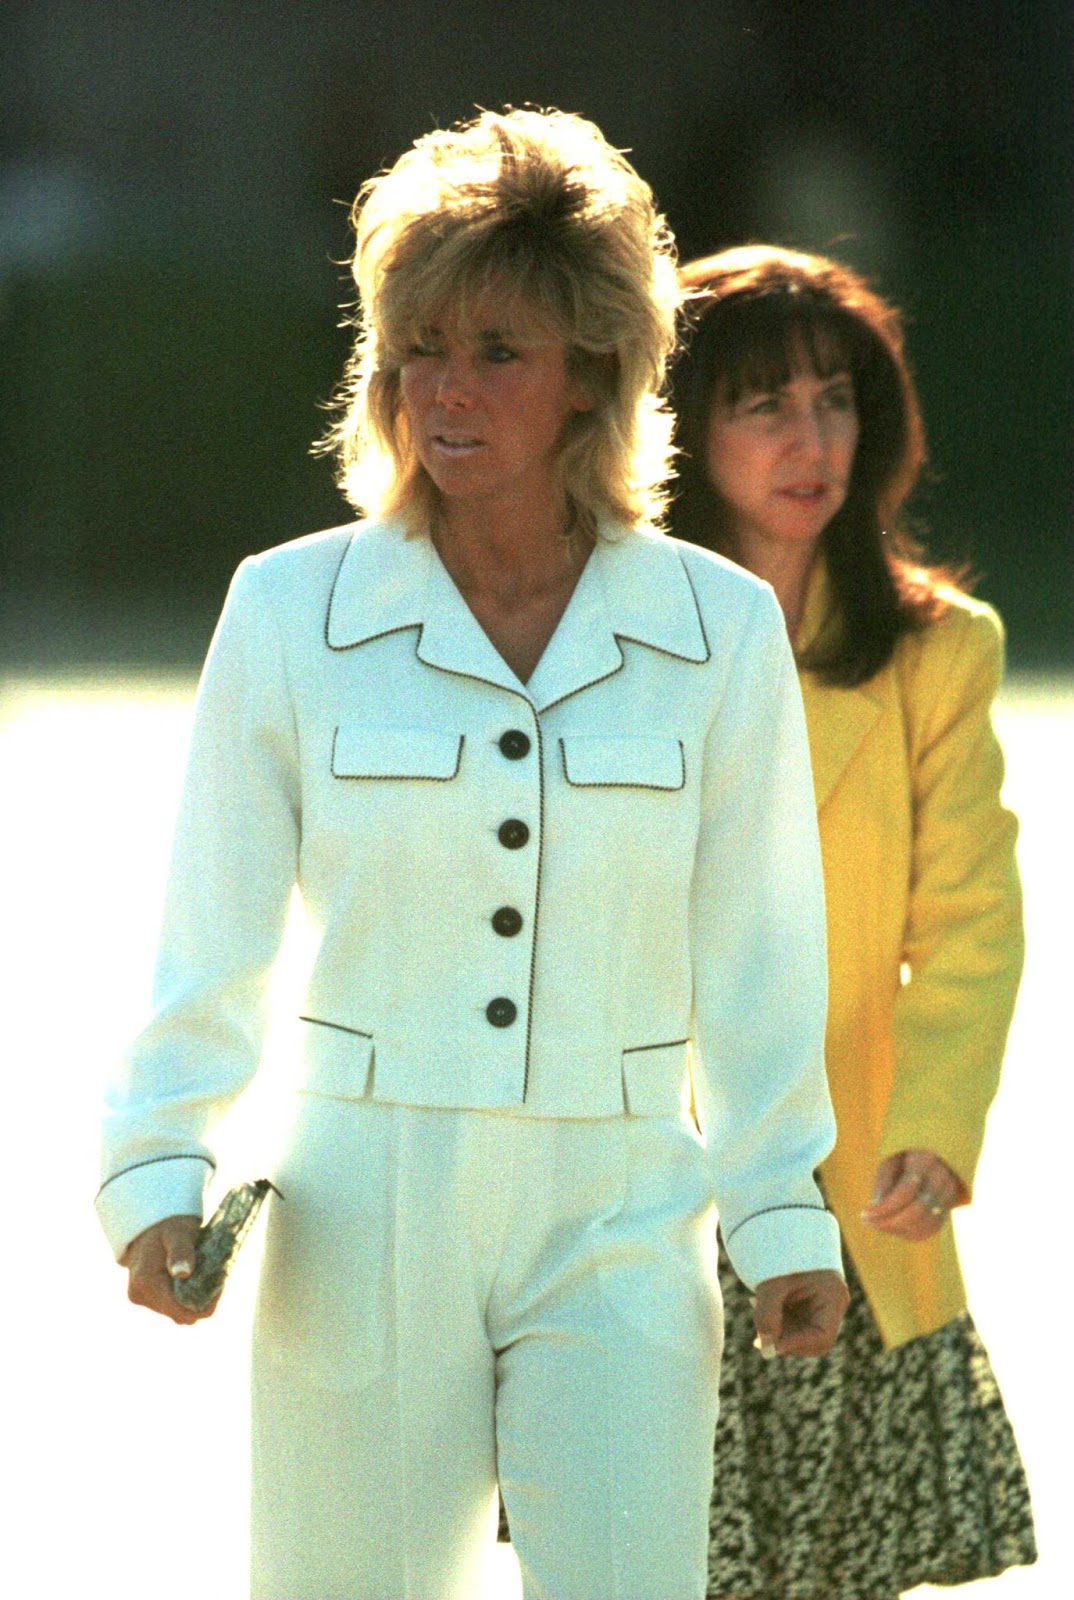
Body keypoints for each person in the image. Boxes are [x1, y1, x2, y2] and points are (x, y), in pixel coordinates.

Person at [97, 116, 848, 1600]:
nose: (442, 389)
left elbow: (759, 949)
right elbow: (212, 931)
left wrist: (778, 1211)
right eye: (416, 346)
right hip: (362, 1211)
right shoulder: (287, 612)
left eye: (497, 350)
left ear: (594, 374)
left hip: (628, 1209)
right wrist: (155, 1170)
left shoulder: (718, 629)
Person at [670, 243, 1037, 1600]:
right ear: (683, 425)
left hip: (847, 1187)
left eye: (833, 398)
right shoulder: (604, 632)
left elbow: (970, 921)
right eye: (762, 403)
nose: (808, 437)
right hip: (635, 1187)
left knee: (831, 1574)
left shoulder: (940, 651)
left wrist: (933, 1122)